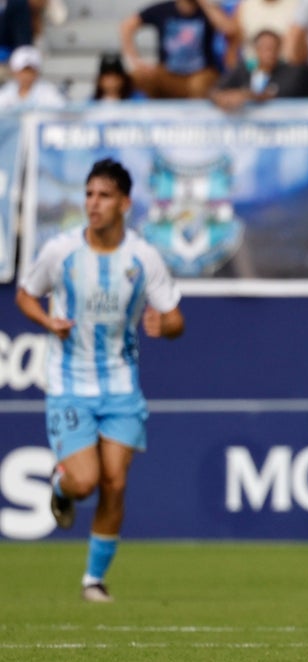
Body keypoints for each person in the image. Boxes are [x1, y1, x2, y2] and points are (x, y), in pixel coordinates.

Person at [14, 158, 185, 603]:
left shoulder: (143, 257)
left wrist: (161, 326)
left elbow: (175, 319)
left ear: (125, 203)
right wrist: (46, 321)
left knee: (116, 483)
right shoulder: (61, 251)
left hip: (122, 386)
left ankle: (94, 579)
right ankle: (60, 485)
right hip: (70, 382)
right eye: (89, 194)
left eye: (104, 195)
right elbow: (25, 294)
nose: (93, 203)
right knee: (85, 481)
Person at [120, 0, 239, 99]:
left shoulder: (208, 11)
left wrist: (206, 5)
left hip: (199, 73)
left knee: (201, 84)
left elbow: (229, 30)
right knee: (137, 77)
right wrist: (134, 60)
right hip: (168, 73)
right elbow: (127, 26)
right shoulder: (163, 9)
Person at [210, 28, 308, 110]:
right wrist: (221, 98)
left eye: (274, 48)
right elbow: (215, 90)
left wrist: (244, 95)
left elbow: (270, 95)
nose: (269, 53)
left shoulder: (289, 71)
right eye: (265, 48)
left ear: (280, 50)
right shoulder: (245, 68)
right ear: (256, 50)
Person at [0, 44, 65, 107]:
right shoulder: (7, 91)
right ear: (15, 72)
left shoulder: (49, 92)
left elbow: (59, 110)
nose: (26, 75)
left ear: (37, 72)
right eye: (23, 71)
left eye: (31, 71)